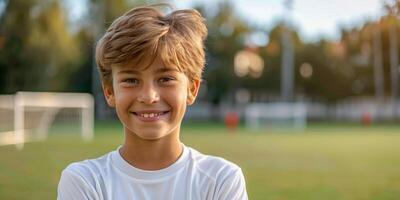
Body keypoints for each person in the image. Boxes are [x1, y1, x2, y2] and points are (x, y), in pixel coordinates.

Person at [57, 4, 248, 200]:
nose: (149, 96)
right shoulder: (85, 181)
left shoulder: (221, 180)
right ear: (109, 91)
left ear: (192, 89)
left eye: (165, 79)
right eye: (131, 80)